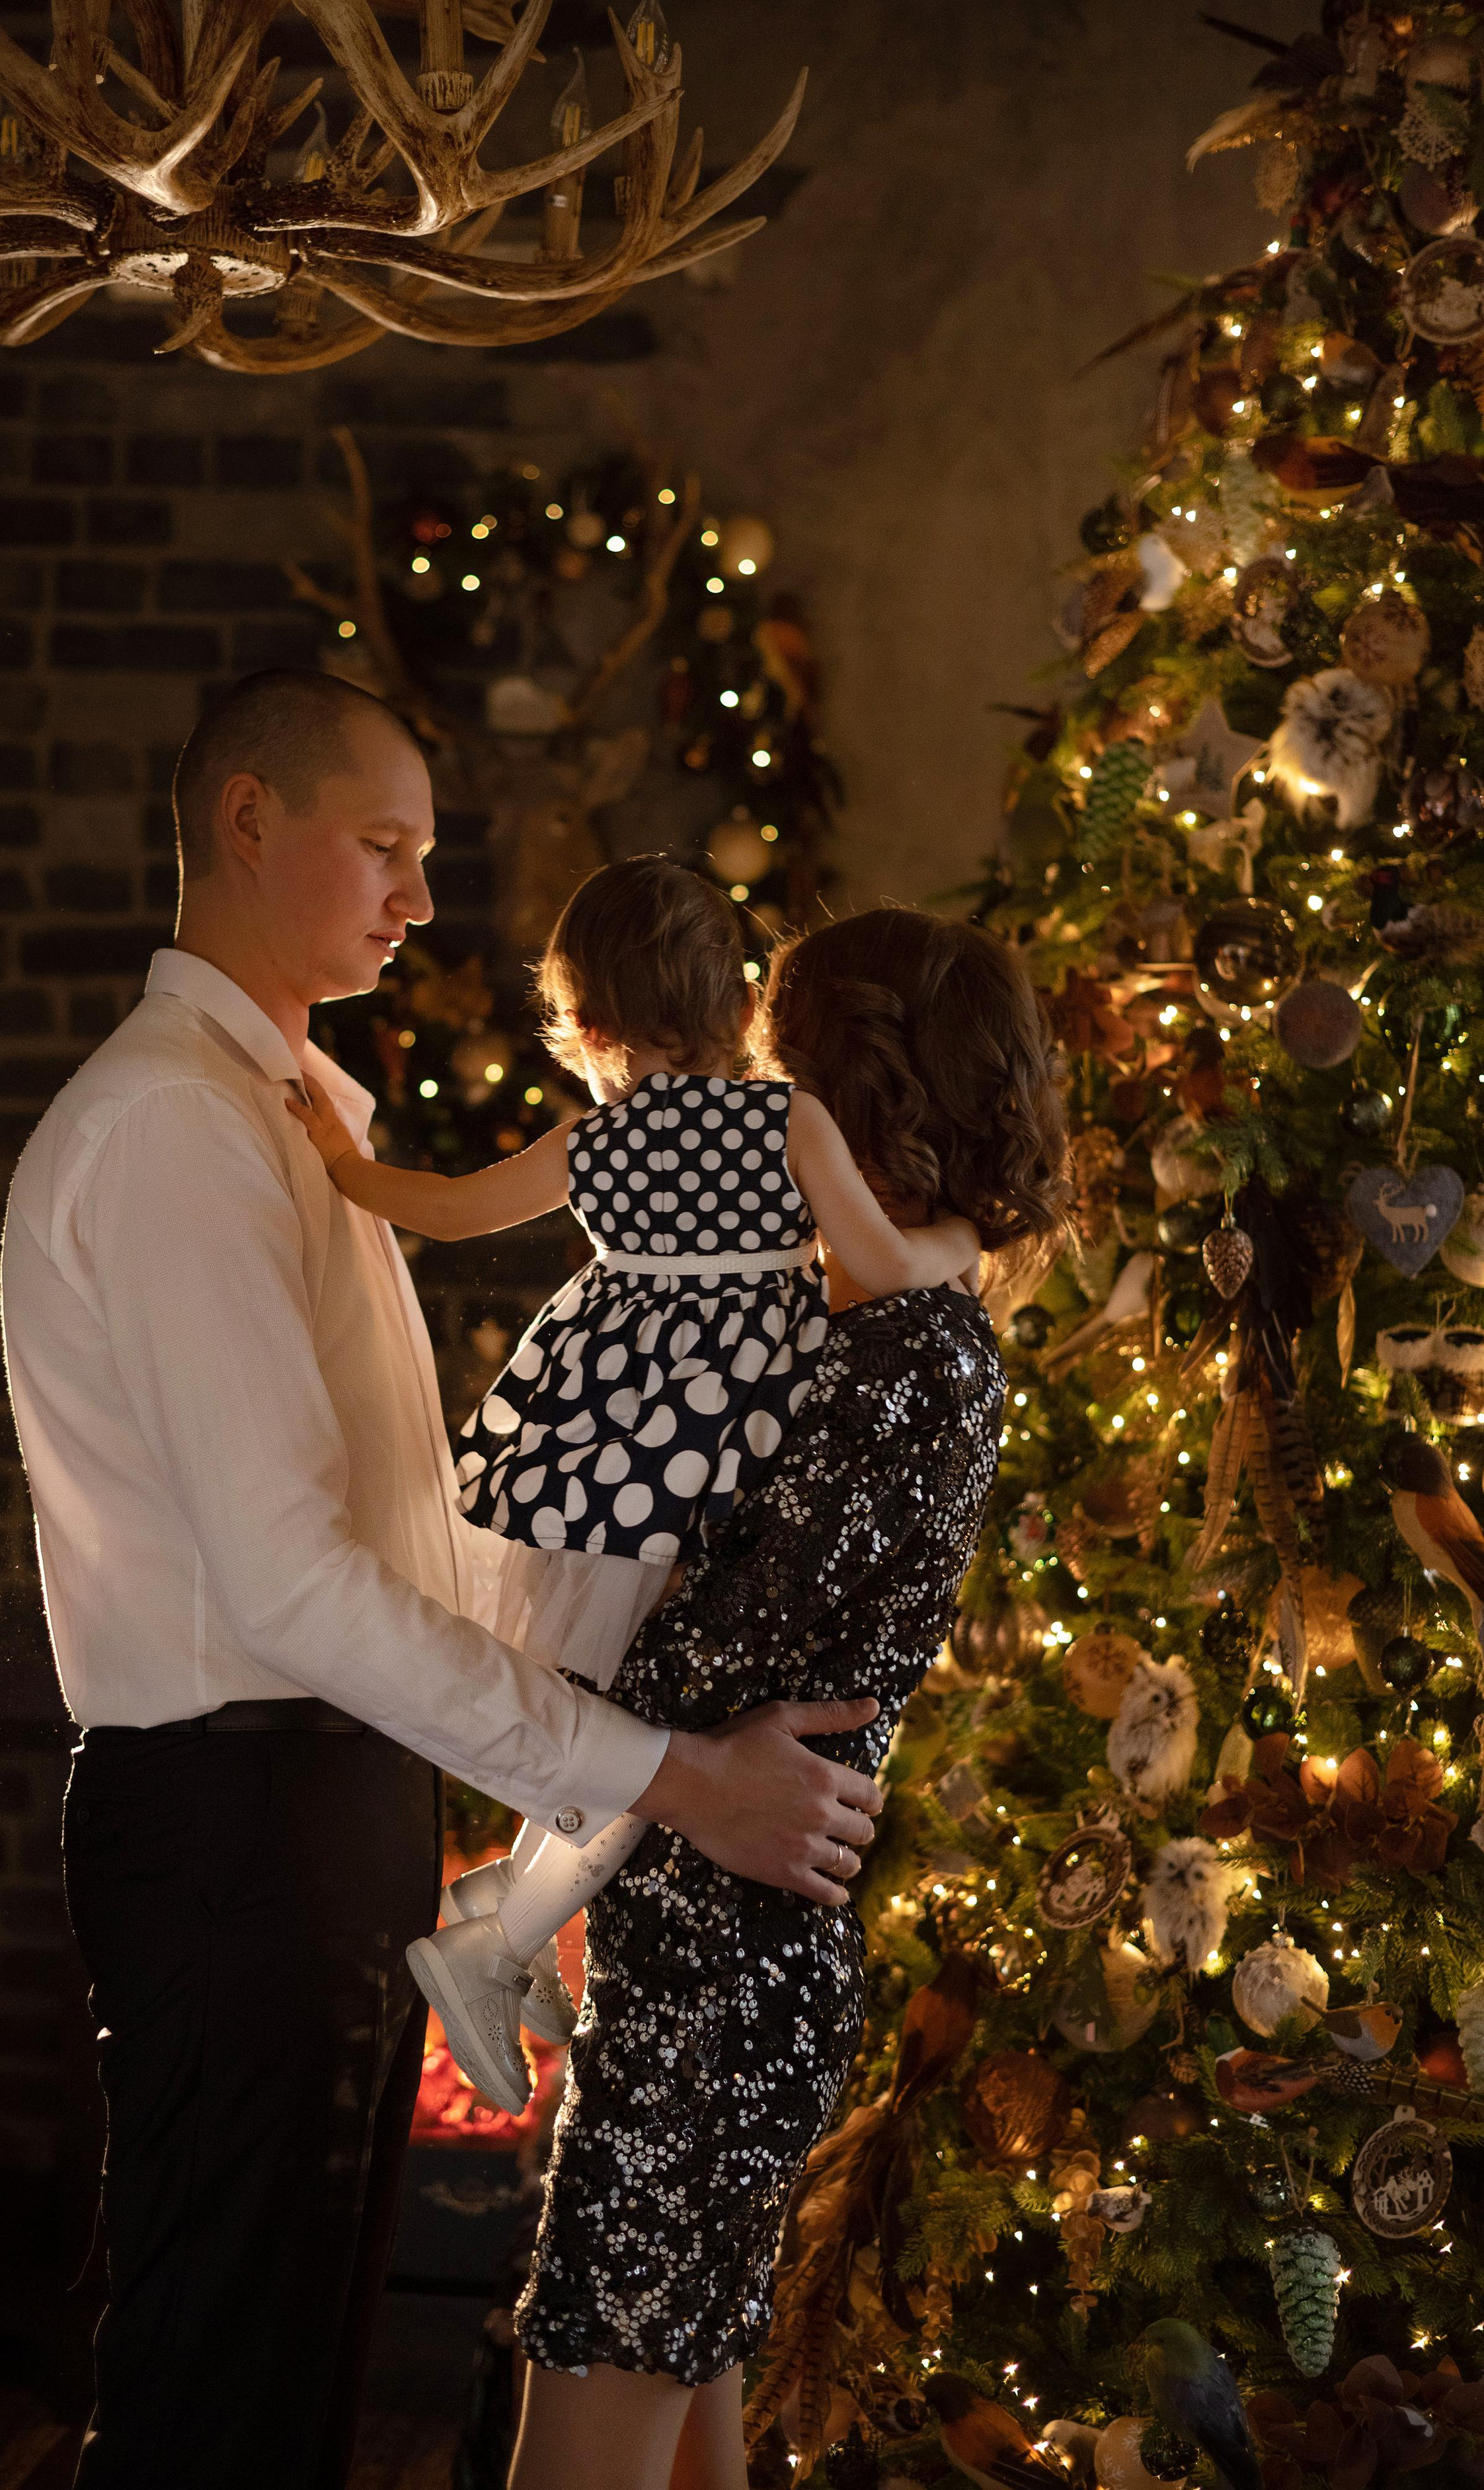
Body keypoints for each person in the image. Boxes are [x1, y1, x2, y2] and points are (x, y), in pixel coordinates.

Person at [0, 669, 886, 2490]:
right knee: (216, 2394)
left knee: (283, 2378)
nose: (418, 898)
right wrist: (665, 1779)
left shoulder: (295, 1115)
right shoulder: (180, 1127)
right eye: (384, 846)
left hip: (308, 1800)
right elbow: (294, 1589)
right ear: (249, 821)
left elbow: (402, 1532)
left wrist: (576, 1762)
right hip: (233, 1812)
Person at [504, 906, 1070, 2490]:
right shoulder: (876, 1330)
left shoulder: (909, 1355)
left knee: (581, 2450)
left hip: (719, 1982)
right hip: (714, 1952)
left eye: (763, 1077)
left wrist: (553, 1682)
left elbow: (712, 1671)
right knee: (688, 2441)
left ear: (837, 1106)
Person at [290, 856, 980, 2116]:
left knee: (619, 1716)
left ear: (593, 1026)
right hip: (733, 1468)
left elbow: (442, 1215)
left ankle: (507, 1910)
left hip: (608, 1472)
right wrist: (962, 1240)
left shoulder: (596, 1140)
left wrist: (344, 1159)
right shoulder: (789, 1121)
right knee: (666, 1734)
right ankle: (496, 1938)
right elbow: (881, 1263)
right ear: (737, 1003)